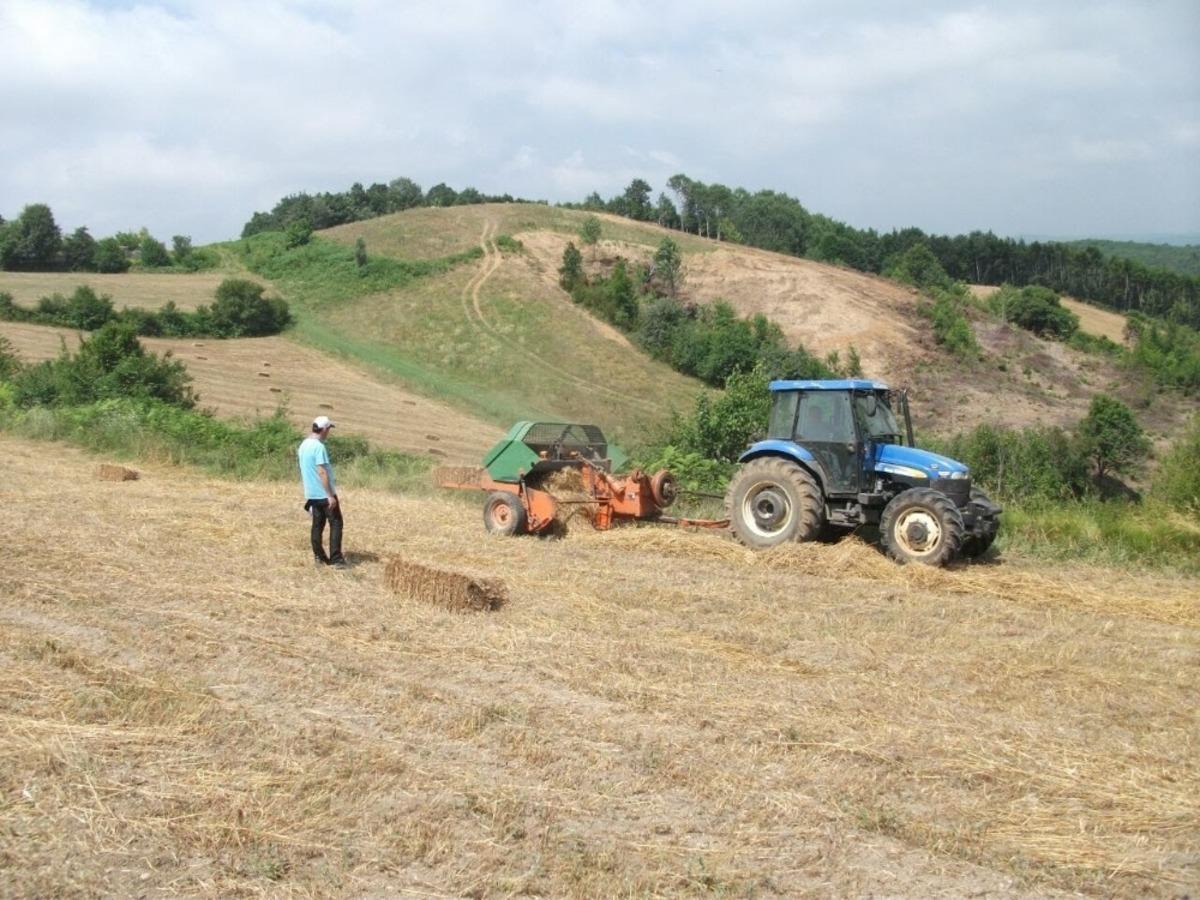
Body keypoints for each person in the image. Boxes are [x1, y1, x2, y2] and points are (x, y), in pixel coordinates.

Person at [298, 415, 347, 568]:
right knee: (336, 523)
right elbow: (322, 471)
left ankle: (319, 557)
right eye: (329, 429)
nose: (329, 432)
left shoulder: (304, 445)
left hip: (311, 493)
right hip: (323, 493)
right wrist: (329, 495)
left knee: (317, 524)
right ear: (324, 429)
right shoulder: (319, 447)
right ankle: (336, 560)